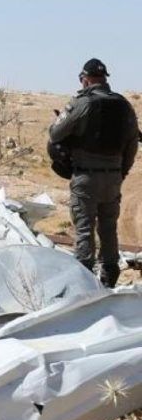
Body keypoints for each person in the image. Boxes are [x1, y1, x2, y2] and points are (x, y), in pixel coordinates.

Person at [48, 58, 139, 288]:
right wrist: (120, 173)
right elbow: (132, 145)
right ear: (104, 79)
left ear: (86, 79)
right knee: (109, 228)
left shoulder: (82, 103)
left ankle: (84, 283)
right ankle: (109, 277)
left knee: (84, 230)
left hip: (86, 177)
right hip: (113, 178)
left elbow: (56, 134)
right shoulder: (124, 105)